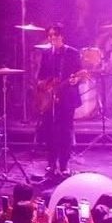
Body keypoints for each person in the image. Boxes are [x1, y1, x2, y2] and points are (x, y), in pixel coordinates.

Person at [36, 24, 82, 176]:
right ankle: (51, 163)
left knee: (65, 131)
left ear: (62, 36)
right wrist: (44, 86)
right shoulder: (46, 53)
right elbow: (40, 76)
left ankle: (64, 164)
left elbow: (79, 74)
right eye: (50, 36)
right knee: (49, 130)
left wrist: (75, 80)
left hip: (67, 97)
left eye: (55, 35)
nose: (52, 38)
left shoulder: (72, 53)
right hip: (49, 99)